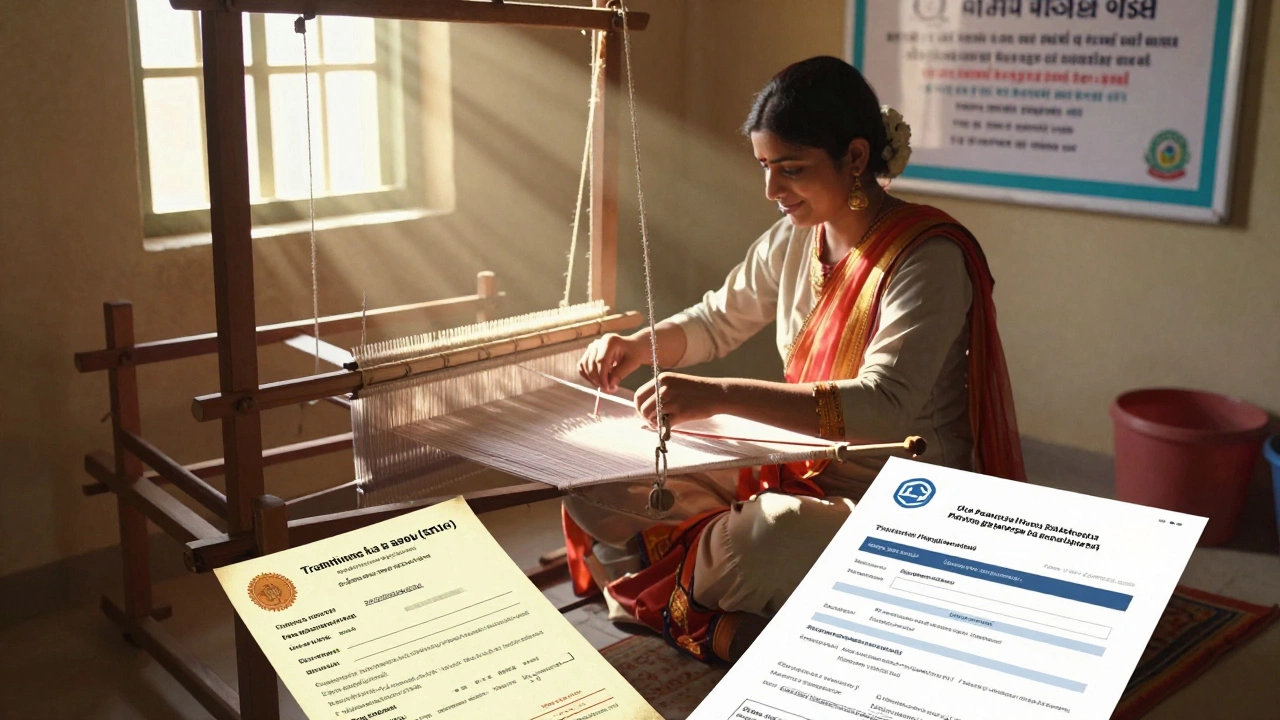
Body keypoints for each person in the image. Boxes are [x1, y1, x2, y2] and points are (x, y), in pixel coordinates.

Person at [562, 55, 1025, 664]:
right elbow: (717, 319)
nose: (772, 191)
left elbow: (885, 408)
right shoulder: (796, 237)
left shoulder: (927, 258)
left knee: (762, 541)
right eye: (764, 167)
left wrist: (721, 396)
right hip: (790, 465)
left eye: (791, 169)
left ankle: (677, 591)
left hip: (899, 498)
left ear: (856, 158)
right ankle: (711, 601)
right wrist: (638, 346)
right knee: (591, 480)